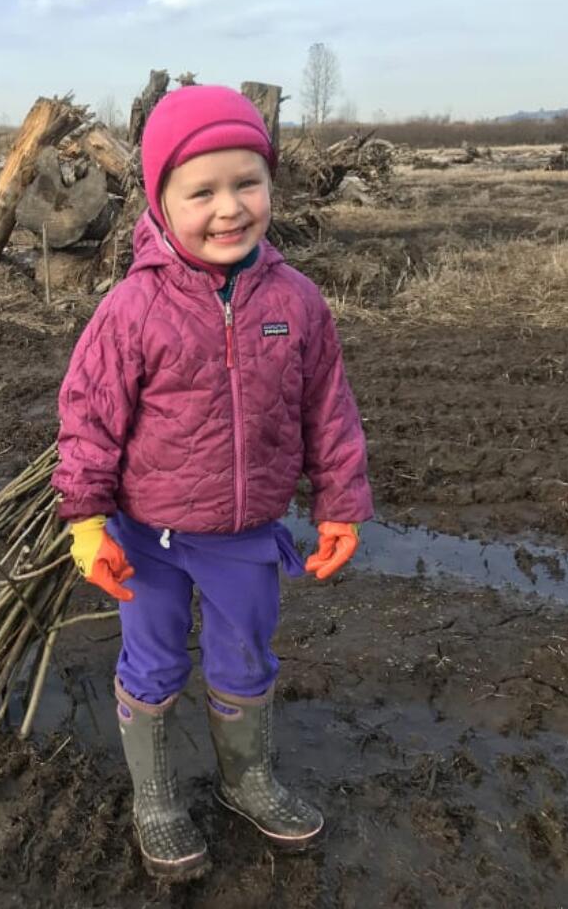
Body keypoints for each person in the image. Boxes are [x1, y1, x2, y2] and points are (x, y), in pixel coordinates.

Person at [52, 85, 373, 880]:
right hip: (148, 540)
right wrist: (85, 522)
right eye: (202, 191)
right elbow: (88, 418)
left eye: (248, 183)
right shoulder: (132, 309)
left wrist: (341, 505)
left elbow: (330, 411)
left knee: (246, 658)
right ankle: (155, 797)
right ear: (160, 203)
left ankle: (248, 778)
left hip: (246, 537)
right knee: (154, 663)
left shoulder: (297, 303)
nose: (230, 208)